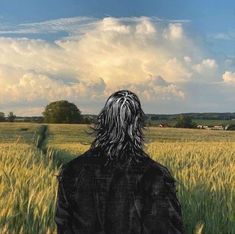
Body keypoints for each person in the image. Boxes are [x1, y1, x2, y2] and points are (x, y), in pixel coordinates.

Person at [54, 90, 184, 234]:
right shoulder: (156, 175)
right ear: (137, 125)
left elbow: (63, 226)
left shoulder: (72, 171)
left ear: (103, 120)